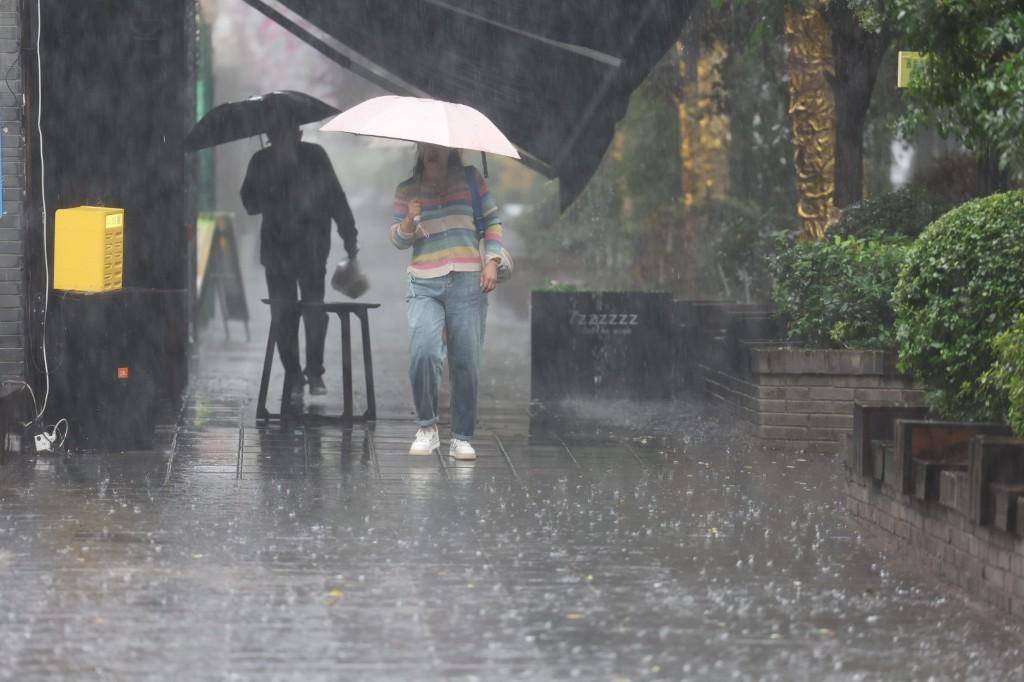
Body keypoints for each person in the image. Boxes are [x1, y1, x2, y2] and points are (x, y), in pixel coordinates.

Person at [390, 143, 504, 460]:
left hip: (468, 282)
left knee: (465, 361)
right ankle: (427, 428)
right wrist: (409, 220)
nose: (432, 152)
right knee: (424, 351)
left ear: (450, 150)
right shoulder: (407, 189)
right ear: (418, 150)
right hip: (424, 283)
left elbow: (493, 223)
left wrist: (492, 261)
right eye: (426, 147)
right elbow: (399, 240)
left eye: (438, 147)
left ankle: (462, 436)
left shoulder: (471, 180)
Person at [241, 123, 358, 402]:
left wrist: (349, 236)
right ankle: (301, 373)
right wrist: (348, 237)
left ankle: (307, 372)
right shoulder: (267, 161)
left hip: (306, 251)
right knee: (293, 313)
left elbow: (334, 198)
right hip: (292, 251)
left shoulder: (306, 157)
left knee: (301, 312)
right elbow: (250, 203)